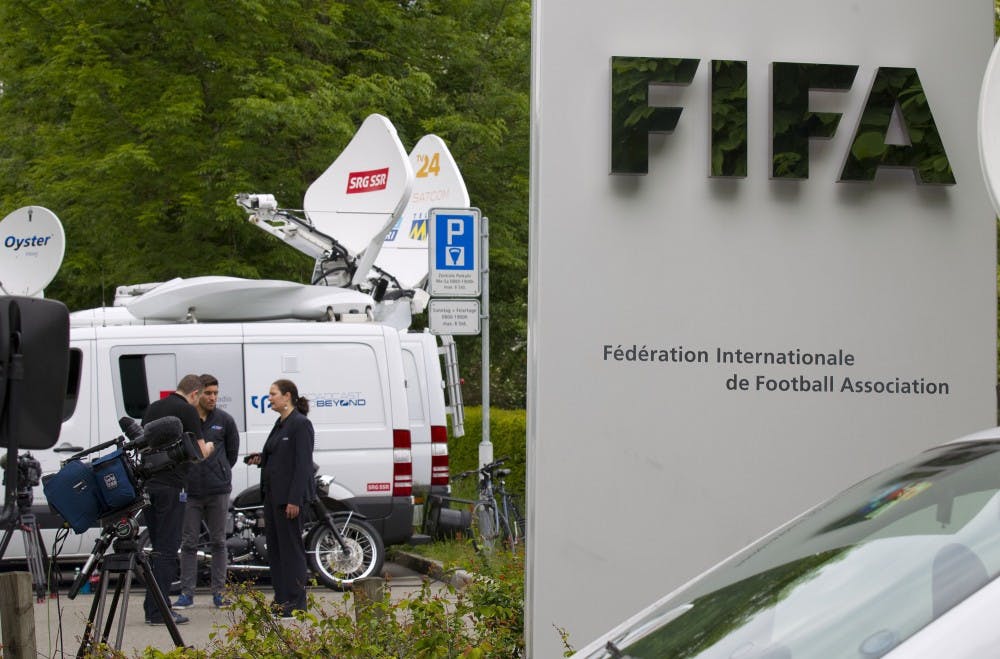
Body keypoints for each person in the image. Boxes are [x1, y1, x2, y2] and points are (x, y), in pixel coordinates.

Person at [140, 374, 214, 626]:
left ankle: (152, 606)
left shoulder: (153, 408)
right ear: (194, 394)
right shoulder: (187, 411)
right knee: (168, 550)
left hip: (149, 486)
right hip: (172, 487)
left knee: (156, 547)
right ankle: (159, 610)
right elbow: (201, 453)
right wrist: (211, 448)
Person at [245, 379, 314, 619]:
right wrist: (261, 459)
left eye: (273, 394)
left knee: (291, 550)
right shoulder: (280, 424)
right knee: (276, 550)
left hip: (289, 500)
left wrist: (295, 499)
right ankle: (281, 598)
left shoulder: (300, 424)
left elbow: (302, 464)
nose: (270, 398)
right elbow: (281, 457)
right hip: (272, 497)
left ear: (287, 396)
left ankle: (296, 602)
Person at [173, 374, 239, 610]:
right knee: (189, 542)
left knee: (218, 542)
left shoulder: (225, 420)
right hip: (190, 491)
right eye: (208, 393)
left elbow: (232, 454)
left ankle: (219, 593)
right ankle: (186, 594)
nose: (212, 398)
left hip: (217, 490)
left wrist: (219, 472)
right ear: (198, 393)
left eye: (215, 393)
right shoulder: (186, 420)